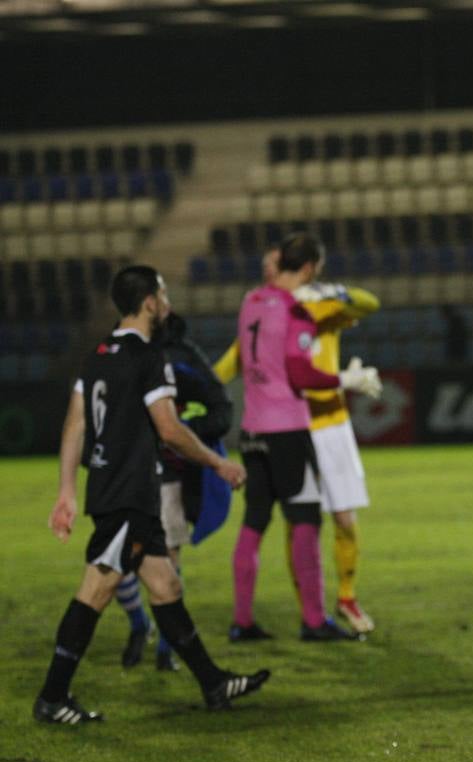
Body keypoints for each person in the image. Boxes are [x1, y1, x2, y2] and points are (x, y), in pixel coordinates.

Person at [38, 264, 267, 724]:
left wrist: (67, 490)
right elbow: (169, 428)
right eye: (163, 296)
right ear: (148, 302)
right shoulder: (148, 357)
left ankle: (213, 682)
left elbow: (75, 424)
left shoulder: (98, 355)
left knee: (165, 585)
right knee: (96, 589)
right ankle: (53, 696)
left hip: (114, 487)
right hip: (128, 493)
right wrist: (220, 462)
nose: (168, 305)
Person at [216, 248, 382, 634]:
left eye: (272, 265)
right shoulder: (275, 309)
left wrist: (333, 292)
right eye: (264, 267)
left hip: (327, 424)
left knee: (341, 519)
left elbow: (369, 303)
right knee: (300, 522)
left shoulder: (306, 303)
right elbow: (238, 362)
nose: (268, 272)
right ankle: (310, 613)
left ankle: (344, 597)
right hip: (294, 424)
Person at [117, 310, 235, 672]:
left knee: (166, 561)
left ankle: (166, 649)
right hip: (128, 472)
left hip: (168, 475)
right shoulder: (123, 353)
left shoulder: (184, 357)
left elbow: (222, 409)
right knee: (118, 562)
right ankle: (140, 623)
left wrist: (184, 429)